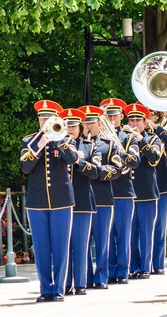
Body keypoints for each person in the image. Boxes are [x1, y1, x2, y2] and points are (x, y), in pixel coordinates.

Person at [20, 100, 79, 302]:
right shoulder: (29, 141)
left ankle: (59, 289)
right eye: (42, 118)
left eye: (49, 118)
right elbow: (25, 167)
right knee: (42, 248)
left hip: (62, 200)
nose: (45, 121)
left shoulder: (67, 139)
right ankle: (45, 289)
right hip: (37, 202)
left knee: (61, 247)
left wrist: (60, 139)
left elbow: (72, 160)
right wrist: (40, 142)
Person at [83, 105, 124, 289]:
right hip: (82, 200)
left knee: (103, 241)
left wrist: (98, 172)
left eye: (92, 122)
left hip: (102, 198)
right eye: (86, 122)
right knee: (82, 243)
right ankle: (86, 278)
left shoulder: (109, 144)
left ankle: (101, 277)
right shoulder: (77, 146)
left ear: (99, 124)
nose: (88, 126)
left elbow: (117, 169)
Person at [62, 108, 101, 296]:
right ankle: (65, 283)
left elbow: (96, 171)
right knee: (64, 246)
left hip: (82, 201)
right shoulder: (57, 144)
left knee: (80, 244)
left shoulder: (88, 146)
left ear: (79, 127)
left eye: (73, 126)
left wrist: (78, 162)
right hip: (60, 202)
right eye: (67, 125)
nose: (70, 129)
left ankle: (81, 284)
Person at [101, 97, 140, 284]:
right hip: (105, 192)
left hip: (124, 190)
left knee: (124, 234)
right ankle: (108, 270)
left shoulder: (128, 137)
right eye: (108, 115)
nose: (111, 119)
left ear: (121, 116)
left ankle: (123, 271)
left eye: (114, 115)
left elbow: (135, 161)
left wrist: (117, 145)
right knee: (107, 235)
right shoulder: (99, 140)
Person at [125, 103, 162, 280]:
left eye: (137, 120)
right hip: (129, 192)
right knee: (131, 234)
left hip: (147, 192)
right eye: (131, 120)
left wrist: (141, 139)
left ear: (145, 123)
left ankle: (145, 267)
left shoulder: (153, 139)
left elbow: (154, 158)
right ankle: (133, 266)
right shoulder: (124, 138)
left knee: (147, 233)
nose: (133, 123)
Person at [148, 110, 167, 276]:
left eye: (148, 115)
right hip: (143, 187)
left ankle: (158, 263)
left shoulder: (160, 132)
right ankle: (143, 264)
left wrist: (155, 127)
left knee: (159, 226)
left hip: (161, 184)